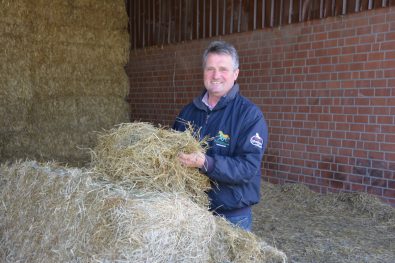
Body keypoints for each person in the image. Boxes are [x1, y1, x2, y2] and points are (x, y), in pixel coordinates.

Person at [173, 40, 268, 231]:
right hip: (192, 212)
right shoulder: (188, 113)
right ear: (204, 72)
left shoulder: (249, 115)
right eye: (210, 69)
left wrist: (206, 163)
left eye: (223, 69)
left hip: (232, 217)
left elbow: (248, 167)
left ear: (236, 74)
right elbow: (171, 152)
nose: (216, 75)